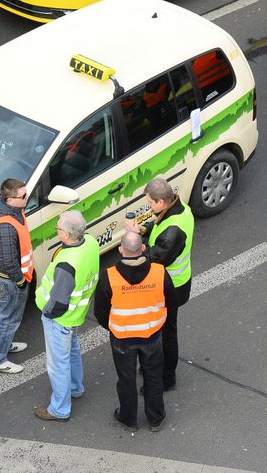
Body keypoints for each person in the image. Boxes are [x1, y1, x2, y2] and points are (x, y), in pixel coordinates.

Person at [94, 230, 178, 432]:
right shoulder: (159, 272)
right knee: (153, 376)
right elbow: (172, 302)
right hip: (152, 336)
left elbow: (100, 312)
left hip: (122, 338)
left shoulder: (109, 276)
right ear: (142, 249)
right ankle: (156, 418)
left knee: (126, 379)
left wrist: (115, 326)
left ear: (120, 250)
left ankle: (128, 417)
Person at [124, 177, 193, 391]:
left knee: (166, 333)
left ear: (162, 202)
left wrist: (135, 243)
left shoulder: (173, 232)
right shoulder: (180, 210)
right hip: (177, 282)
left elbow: (154, 257)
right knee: (164, 330)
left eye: (151, 203)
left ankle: (166, 378)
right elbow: (159, 226)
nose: (149, 206)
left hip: (170, 287)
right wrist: (143, 230)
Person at [33, 210, 100, 421]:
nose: (57, 230)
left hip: (60, 319)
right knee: (72, 350)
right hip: (75, 315)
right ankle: (75, 387)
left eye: (59, 228)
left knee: (57, 364)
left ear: (68, 235)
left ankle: (60, 409)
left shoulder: (66, 264)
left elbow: (59, 301)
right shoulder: (89, 242)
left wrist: (47, 313)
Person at [0, 178, 33, 375]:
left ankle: (5, 344)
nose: (27, 198)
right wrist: (20, 280)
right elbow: (8, 261)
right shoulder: (5, 226)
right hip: (11, 279)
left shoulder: (13, 211)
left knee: (10, 316)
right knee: (7, 317)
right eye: (23, 196)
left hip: (12, 277)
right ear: (10, 200)